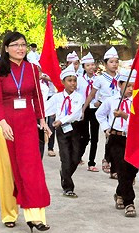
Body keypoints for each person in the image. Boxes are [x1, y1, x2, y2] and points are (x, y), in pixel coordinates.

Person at [0, 31, 52, 233]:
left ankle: (36, 217)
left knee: (32, 169)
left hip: (27, 125)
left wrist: (42, 121)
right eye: (15, 45)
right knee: (8, 171)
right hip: (6, 126)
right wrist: (2, 122)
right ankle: (9, 213)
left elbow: (38, 97)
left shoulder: (33, 69)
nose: (20, 48)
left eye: (23, 45)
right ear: (6, 48)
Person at [95, 70, 138, 217]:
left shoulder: (137, 101)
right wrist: (106, 127)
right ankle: (129, 203)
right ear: (120, 85)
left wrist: (124, 115)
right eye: (128, 86)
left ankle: (120, 193)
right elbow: (99, 114)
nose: (131, 89)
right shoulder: (111, 100)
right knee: (121, 169)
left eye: (134, 86)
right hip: (116, 138)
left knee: (132, 169)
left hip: (132, 138)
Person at [45, 64, 84, 198]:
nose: (72, 83)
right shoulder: (57, 97)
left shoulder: (79, 97)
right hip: (62, 130)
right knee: (65, 157)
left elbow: (76, 112)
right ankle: (68, 187)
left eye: (74, 80)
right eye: (69, 80)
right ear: (63, 82)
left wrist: (62, 120)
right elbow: (46, 108)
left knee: (75, 157)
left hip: (75, 127)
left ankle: (64, 173)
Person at [84, 46, 120, 176]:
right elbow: (92, 95)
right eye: (111, 62)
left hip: (117, 111)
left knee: (115, 138)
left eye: (116, 61)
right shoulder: (100, 79)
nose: (114, 64)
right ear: (105, 64)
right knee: (102, 136)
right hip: (102, 110)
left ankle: (112, 165)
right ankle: (97, 161)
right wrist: (84, 109)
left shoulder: (121, 78)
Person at [76, 52, 100, 171]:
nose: (91, 67)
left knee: (95, 137)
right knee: (85, 136)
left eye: (92, 65)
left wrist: (99, 102)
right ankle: (78, 156)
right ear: (84, 67)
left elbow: (102, 94)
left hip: (95, 109)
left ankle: (92, 162)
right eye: (88, 65)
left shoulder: (98, 79)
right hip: (84, 109)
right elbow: (77, 94)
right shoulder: (80, 80)